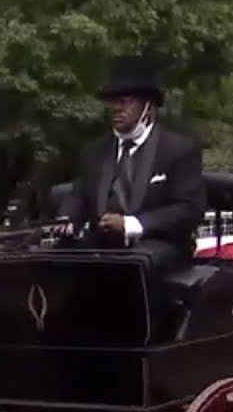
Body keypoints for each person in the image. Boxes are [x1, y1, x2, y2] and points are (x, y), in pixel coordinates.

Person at [52, 54, 207, 274]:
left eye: (125, 102)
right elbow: (79, 193)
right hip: (103, 246)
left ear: (148, 108)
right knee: (55, 259)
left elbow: (189, 210)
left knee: (133, 266)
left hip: (159, 245)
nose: (116, 108)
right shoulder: (95, 152)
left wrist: (131, 224)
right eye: (113, 102)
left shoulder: (179, 150)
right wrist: (68, 217)